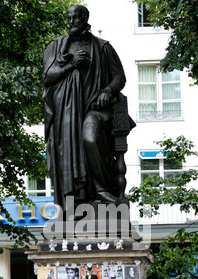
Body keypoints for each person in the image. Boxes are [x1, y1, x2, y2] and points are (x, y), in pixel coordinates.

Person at [43, 4, 127, 211]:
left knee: (89, 136)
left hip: (95, 108)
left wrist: (108, 91)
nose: (71, 22)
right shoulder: (56, 46)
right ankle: (76, 202)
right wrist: (72, 65)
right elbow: (48, 77)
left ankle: (102, 190)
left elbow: (119, 77)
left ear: (86, 19)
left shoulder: (103, 47)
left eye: (75, 18)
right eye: (68, 19)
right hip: (66, 112)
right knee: (69, 143)